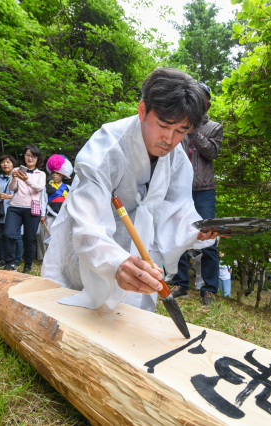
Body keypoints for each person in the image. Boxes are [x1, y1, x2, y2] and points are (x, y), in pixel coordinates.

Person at [41, 67, 219, 313]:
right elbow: (86, 221)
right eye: (163, 126)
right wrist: (114, 262)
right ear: (143, 110)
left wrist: (196, 232)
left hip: (138, 251)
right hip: (90, 247)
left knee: (129, 321)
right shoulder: (104, 150)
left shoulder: (177, 158)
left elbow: (177, 209)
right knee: (76, 311)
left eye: (181, 130)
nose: (169, 139)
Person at [170, 81, 223, 306]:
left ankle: (209, 289)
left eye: (202, 99)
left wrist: (192, 131)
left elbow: (212, 152)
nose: (197, 103)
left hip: (203, 190)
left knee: (208, 236)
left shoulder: (214, 127)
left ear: (208, 104)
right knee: (178, 234)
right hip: (178, 189)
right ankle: (181, 283)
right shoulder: (176, 124)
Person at [3, 145, 46, 274]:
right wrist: (14, 177)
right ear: (23, 157)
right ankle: (10, 263)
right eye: (27, 155)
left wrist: (27, 180)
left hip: (31, 208)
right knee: (8, 234)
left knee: (30, 238)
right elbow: (11, 188)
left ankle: (28, 265)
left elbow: (39, 188)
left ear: (38, 158)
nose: (30, 158)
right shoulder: (16, 170)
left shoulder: (41, 173)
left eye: (33, 156)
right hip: (15, 206)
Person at [37, 154, 73, 259]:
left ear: (62, 175)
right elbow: (43, 202)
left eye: (57, 173)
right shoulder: (46, 187)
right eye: (53, 173)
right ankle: (50, 257)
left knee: (62, 236)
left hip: (63, 215)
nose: (54, 175)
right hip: (51, 215)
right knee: (50, 236)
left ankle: (61, 257)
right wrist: (42, 215)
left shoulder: (68, 187)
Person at [0, 155, 22, 268]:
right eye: (3, 162)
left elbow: (22, 194)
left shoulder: (18, 177)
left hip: (13, 209)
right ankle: (3, 259)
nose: (5, 164)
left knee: (15, 235)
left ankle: (17, 258)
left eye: (8, 162)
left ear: (13, 164)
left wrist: (8, 196)